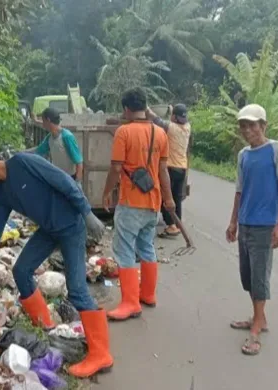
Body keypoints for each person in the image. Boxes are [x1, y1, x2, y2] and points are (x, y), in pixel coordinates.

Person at [0, 145, 113, 377]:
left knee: (78, 291)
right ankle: (45, 326)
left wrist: (87, 212)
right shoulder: (1, 193)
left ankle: (101, 355)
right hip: (49, 231)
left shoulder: (23, 162)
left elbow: (63, 181)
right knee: (21, 271)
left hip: (71, 226)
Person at [102, 88, 175, 321]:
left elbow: (115, 168)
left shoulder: (124, 132)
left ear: (126, 109)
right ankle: (148, 294)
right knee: (146, 247)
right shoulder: (161, 133)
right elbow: (163, 170)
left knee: (124, 250)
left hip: (131, 201)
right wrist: (169, 198)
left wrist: (106, 193)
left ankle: (130, 303)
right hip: (153, 202)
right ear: (145, 106)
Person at [226, 104, 278, 356]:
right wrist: (233, 222)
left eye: (252, 125)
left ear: (264, 126)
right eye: (243, 125)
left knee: (259, 276)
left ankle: (257, 326)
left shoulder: (277, 150)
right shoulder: (243, 155)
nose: (247, 130)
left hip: (266, 225)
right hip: (245, 223)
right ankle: (258, 317)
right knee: (247, 275)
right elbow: (239, 190)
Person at [146, 104, 192, 237]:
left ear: (173, 117)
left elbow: (155, 119)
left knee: (166, 196)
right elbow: (173, 119)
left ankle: (171, 225)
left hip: (171, 168)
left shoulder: (170, 128)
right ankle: (178, 224)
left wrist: (146, 107)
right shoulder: (187, 127)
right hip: (182, 168)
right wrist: (172, 110)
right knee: (177, 198)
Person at [33, 108, 84, 187]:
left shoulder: (67, 137)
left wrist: (77, 183)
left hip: (70, 179)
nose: (42, 124)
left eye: (43, 121)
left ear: (48, 120)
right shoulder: (50, 138)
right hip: (58, 177)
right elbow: (38, 151)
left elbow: (79, 163)